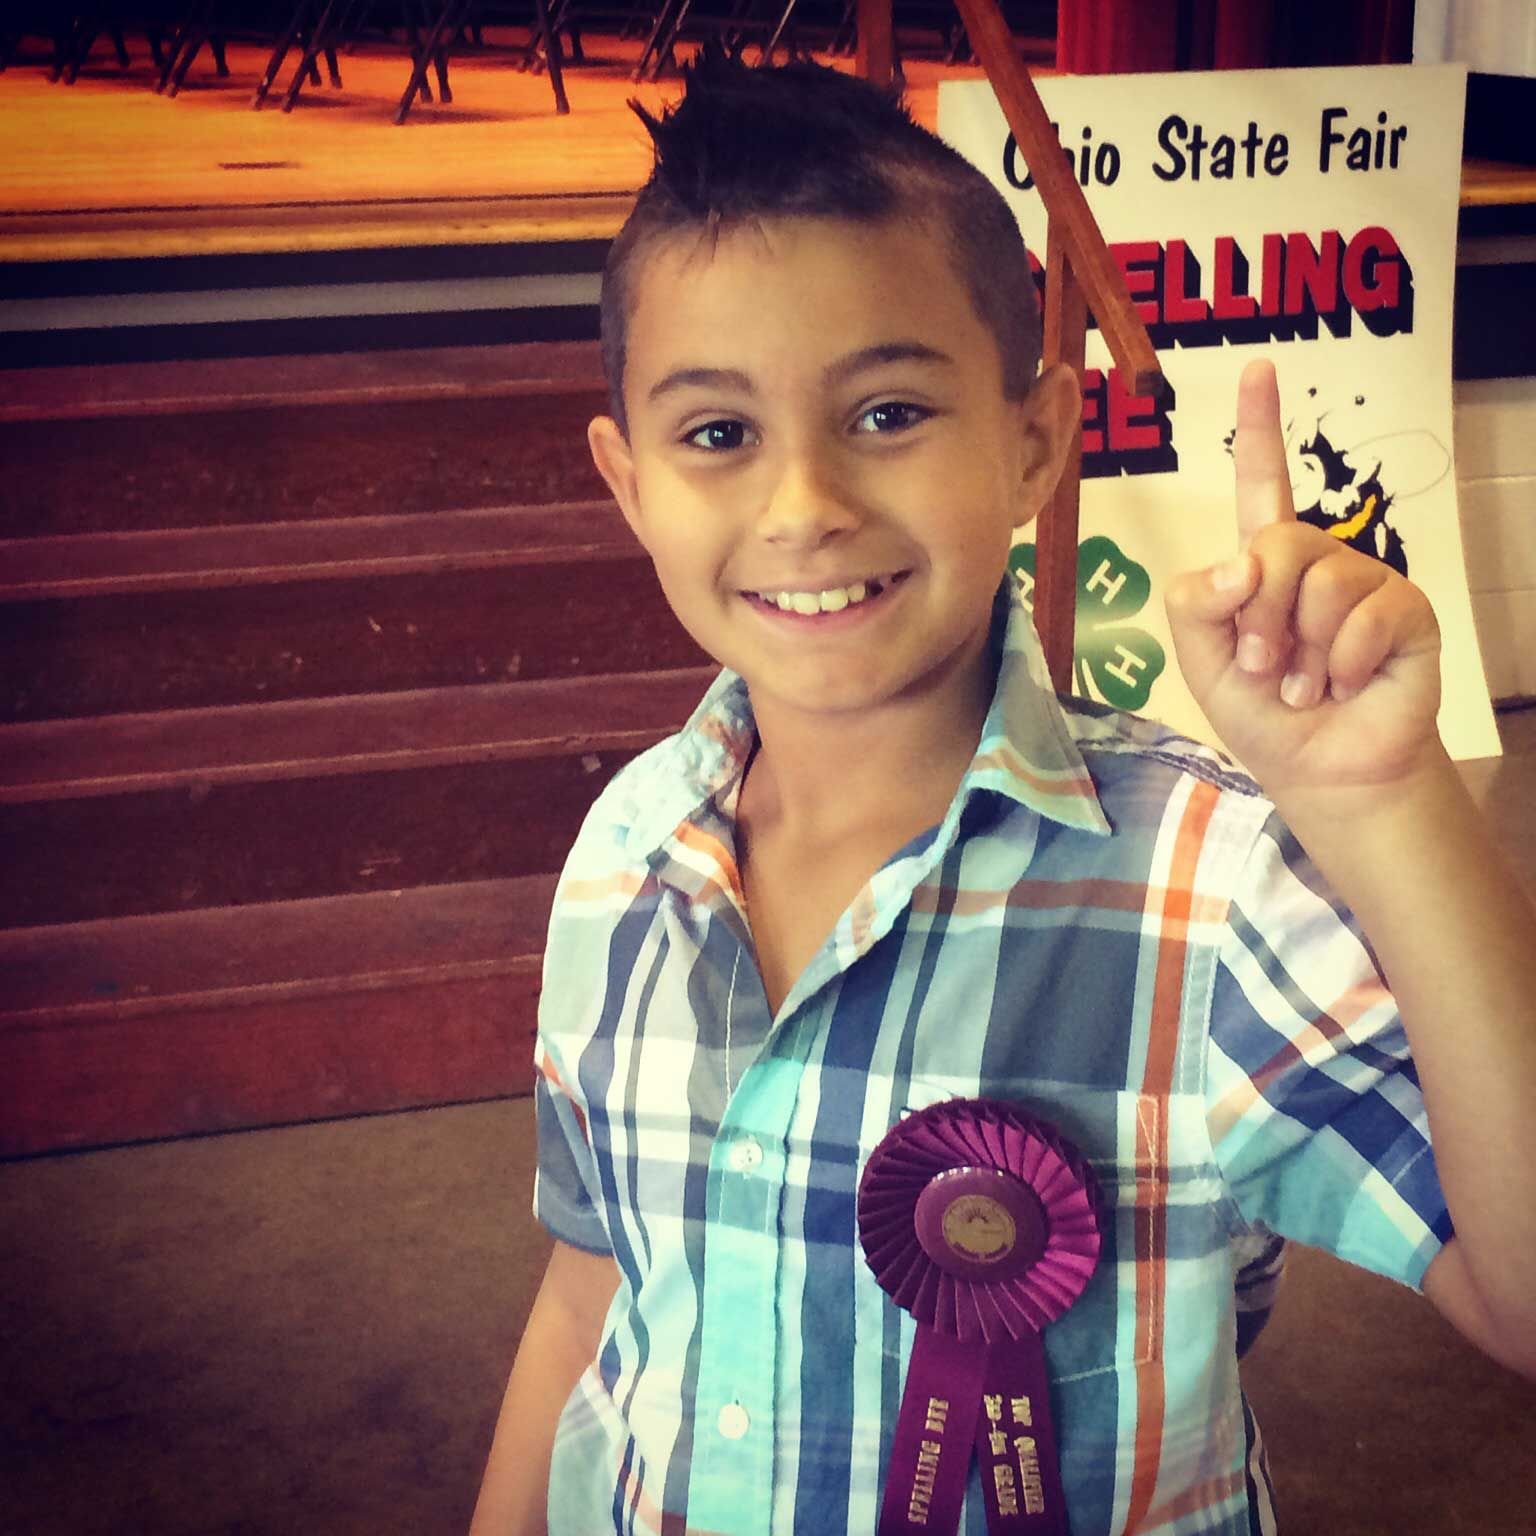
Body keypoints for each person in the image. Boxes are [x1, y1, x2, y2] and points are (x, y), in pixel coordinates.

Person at [469, 52, 1536, 1536]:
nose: (803, 505)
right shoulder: (626, 854)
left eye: (889, 411)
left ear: (1037, 437)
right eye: (718, 434)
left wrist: (1390, 801)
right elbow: (598, 1284)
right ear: (630, 480)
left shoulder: (1203, 884)